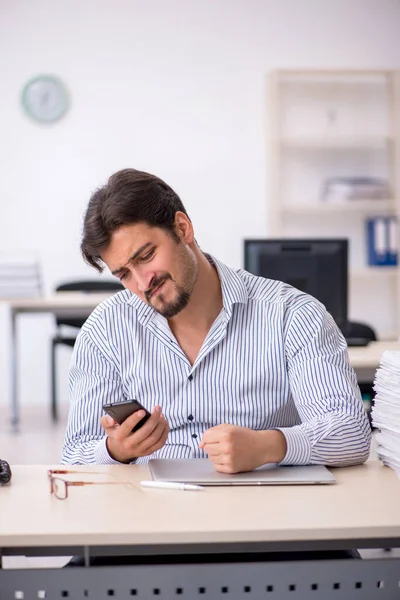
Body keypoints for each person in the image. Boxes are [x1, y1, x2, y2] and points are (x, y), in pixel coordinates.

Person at [61, 168, 371, 470]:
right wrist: (116, 450)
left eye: (146, 256)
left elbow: (351, 433)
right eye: (124, 274)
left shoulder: (293, 315)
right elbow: (74, 456)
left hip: (262, 508)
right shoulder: (105, 330)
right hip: (152, 513)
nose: (142, 283)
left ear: (182, 229)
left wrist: (269, 446)